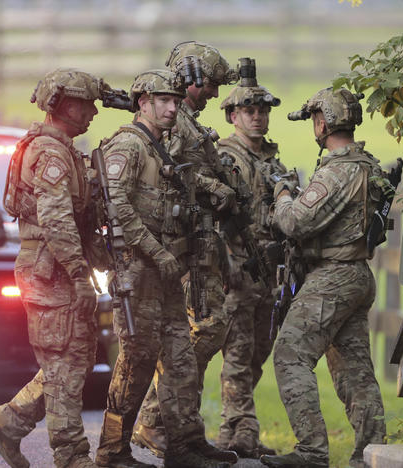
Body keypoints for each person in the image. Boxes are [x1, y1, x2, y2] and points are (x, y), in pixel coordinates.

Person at [94, 69, 232, 468]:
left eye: (176, 100)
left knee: (181, 358)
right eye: (164, 101)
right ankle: (111, 449)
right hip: (139, 270)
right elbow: (116, 203)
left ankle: (184, 445)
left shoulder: (160, 148)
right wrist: (157, 251)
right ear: (143, 103)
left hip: (167, 271)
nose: (174, 107)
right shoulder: (129, 145)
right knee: (137, 359)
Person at [0, 68, 113, 468]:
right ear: (61, 104)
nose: (92, 111)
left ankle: (8, 421)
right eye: (84, 103)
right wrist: (78, 273)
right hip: (51, 274)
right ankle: (71, 455)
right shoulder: (50, 154)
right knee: (62, 365)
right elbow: (57, 221)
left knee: (74, 360)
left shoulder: (65, 149)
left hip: (59, 271)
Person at [261, 87, 386, 468]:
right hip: (358, 275)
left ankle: (312, 452)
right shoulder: (369, 165)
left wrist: (283, 193)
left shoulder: (337, 171)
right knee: (355, 371)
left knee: (289, 354)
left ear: (323, 122)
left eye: (315, 119)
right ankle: (372, 454)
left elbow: (295, 222)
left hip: (333, 277)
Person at [132, 41, 241, 458]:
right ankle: (156, 419)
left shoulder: (190, 122)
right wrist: (215, 188)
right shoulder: (176, 125)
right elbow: (169, 175)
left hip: (201, 242)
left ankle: (183, 431)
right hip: (182, 246)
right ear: (192, 79)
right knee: (203, 330)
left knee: (203, 331)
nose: (214, 93)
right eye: (211, 84)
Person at [214, 76, 297, 458]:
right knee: (237, 352)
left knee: (258, 351)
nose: (259, 118)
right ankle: (241, 429)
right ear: (233, 115)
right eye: (250, 111)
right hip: (237, 269)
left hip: (270, 273)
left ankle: (234, 428)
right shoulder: (224, 158)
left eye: (263, 111)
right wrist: (226, 266)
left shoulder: (272, 161)